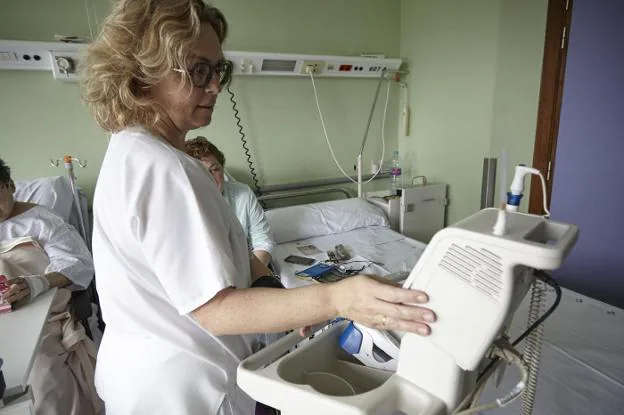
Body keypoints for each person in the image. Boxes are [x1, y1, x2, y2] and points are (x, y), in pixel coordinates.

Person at [82, 1, 436, 413]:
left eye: (220, 71)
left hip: (144, 377)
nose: (215, 86)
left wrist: (283, 301)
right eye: (200, 70)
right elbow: (215, 309)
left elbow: (200, 274)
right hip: (184, 388)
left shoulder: (129, 149)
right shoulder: (166, 169)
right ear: (144, 72)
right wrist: (339, 298)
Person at [0, 158, 101, 414]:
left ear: (10, 186)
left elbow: (77, 265)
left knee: (41, 373)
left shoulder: (42, 221)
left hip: (41, 316)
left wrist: (37, 283)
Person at [185, 136, 275, 265]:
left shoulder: (243, 193)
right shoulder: (179, 205)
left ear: (222, 169)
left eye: (215, 170)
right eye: (200, 173)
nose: (210, 179)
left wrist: (253, 275)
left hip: (247, 268)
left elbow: (264, 241)